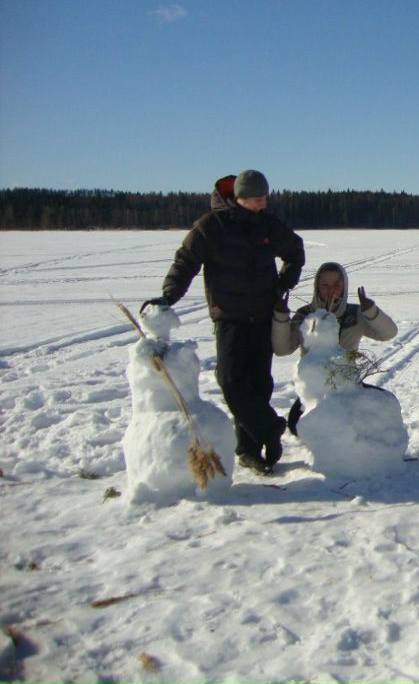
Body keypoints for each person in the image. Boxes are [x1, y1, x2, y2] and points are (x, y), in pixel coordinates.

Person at [143, 170, 305, 476]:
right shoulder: (211, 226)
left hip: (263, 316)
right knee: (231, 381)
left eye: (265, 198)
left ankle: (251, 450)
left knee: (258, 384)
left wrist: (287, 279)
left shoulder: (268, 224)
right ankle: (269, 427)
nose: (263, 203)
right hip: (230, 317)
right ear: (240, 197)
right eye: (258, 199)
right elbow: (185, 263)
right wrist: (168, 297)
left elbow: (295, 251)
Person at [272, 261, 398, 434]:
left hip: (348, 388)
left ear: (344, 286)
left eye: (336, 285)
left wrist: (371, 311)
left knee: (385, 403)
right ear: (316, 287)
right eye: (324, 285)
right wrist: (281, 318)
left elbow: (388, 333)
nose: (330, 290)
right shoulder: (304, 315)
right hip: (315, 391)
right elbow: (282, 349)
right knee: (297, 426)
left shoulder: (356, 314)